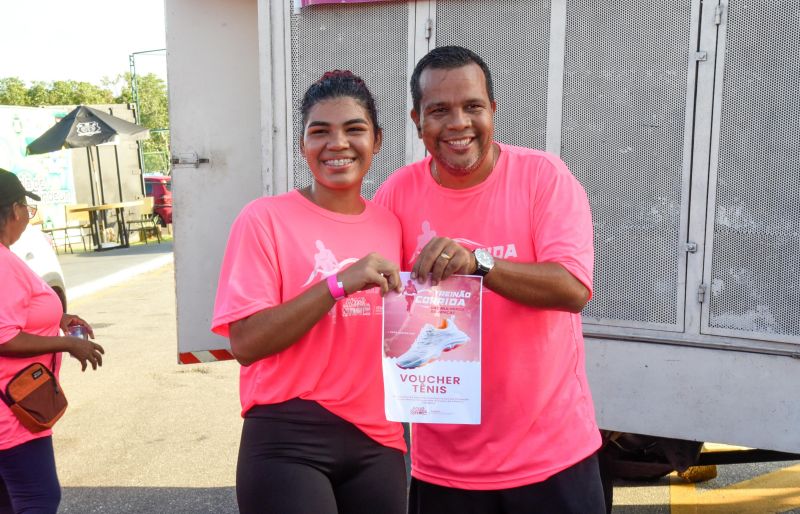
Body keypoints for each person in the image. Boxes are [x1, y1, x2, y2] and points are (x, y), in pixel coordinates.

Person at [374, 46, 605, 513]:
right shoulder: (397, 193)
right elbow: (378, 304)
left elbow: (573, 288)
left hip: (553, 459)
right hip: (443, 469)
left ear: (493, 111)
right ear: (418, 121)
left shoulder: (544, 178)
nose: (458, 123)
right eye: (440, 110)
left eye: (472, 106)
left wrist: (481, 264)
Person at [211, 71, 407, 514]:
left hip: (379, 439)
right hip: (287, 437)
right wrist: (337, 284)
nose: (337, 143)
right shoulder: (264, 219)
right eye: (320, 132)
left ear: (376, 140)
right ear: (303, 145)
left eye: (354, 129)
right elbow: (246, 343)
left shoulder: (391, 225)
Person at [0, 168, 105, 514]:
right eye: (27, 211)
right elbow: (3, 338)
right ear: (14, 210)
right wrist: (69, 344)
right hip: (11, 411)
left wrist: (58, 320)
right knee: (38, 499)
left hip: (13, 407)